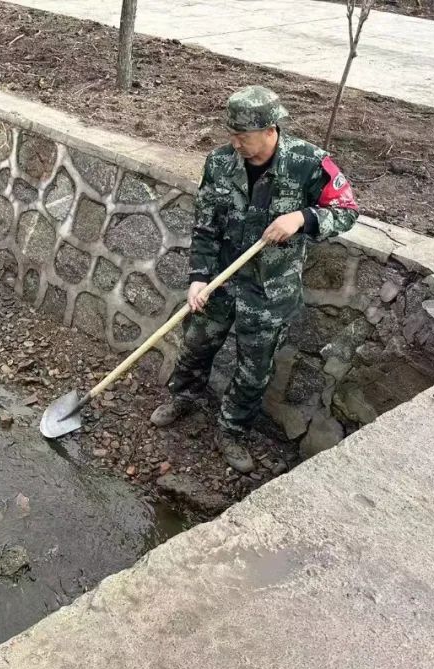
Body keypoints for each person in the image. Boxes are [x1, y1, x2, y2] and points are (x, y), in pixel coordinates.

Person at [150, 86, 359, 473]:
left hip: (270, 290)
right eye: (231, 135)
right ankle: (183, 398)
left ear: (269, 129)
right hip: (220, 282)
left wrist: (302, 218)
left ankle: (232, 429)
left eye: (242, 136)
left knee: (254, 368)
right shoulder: (219, 163)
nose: (235, 144)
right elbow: (206, 226)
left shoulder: (308, 162)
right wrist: (198, 278)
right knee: (195, 345)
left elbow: (346, 210)